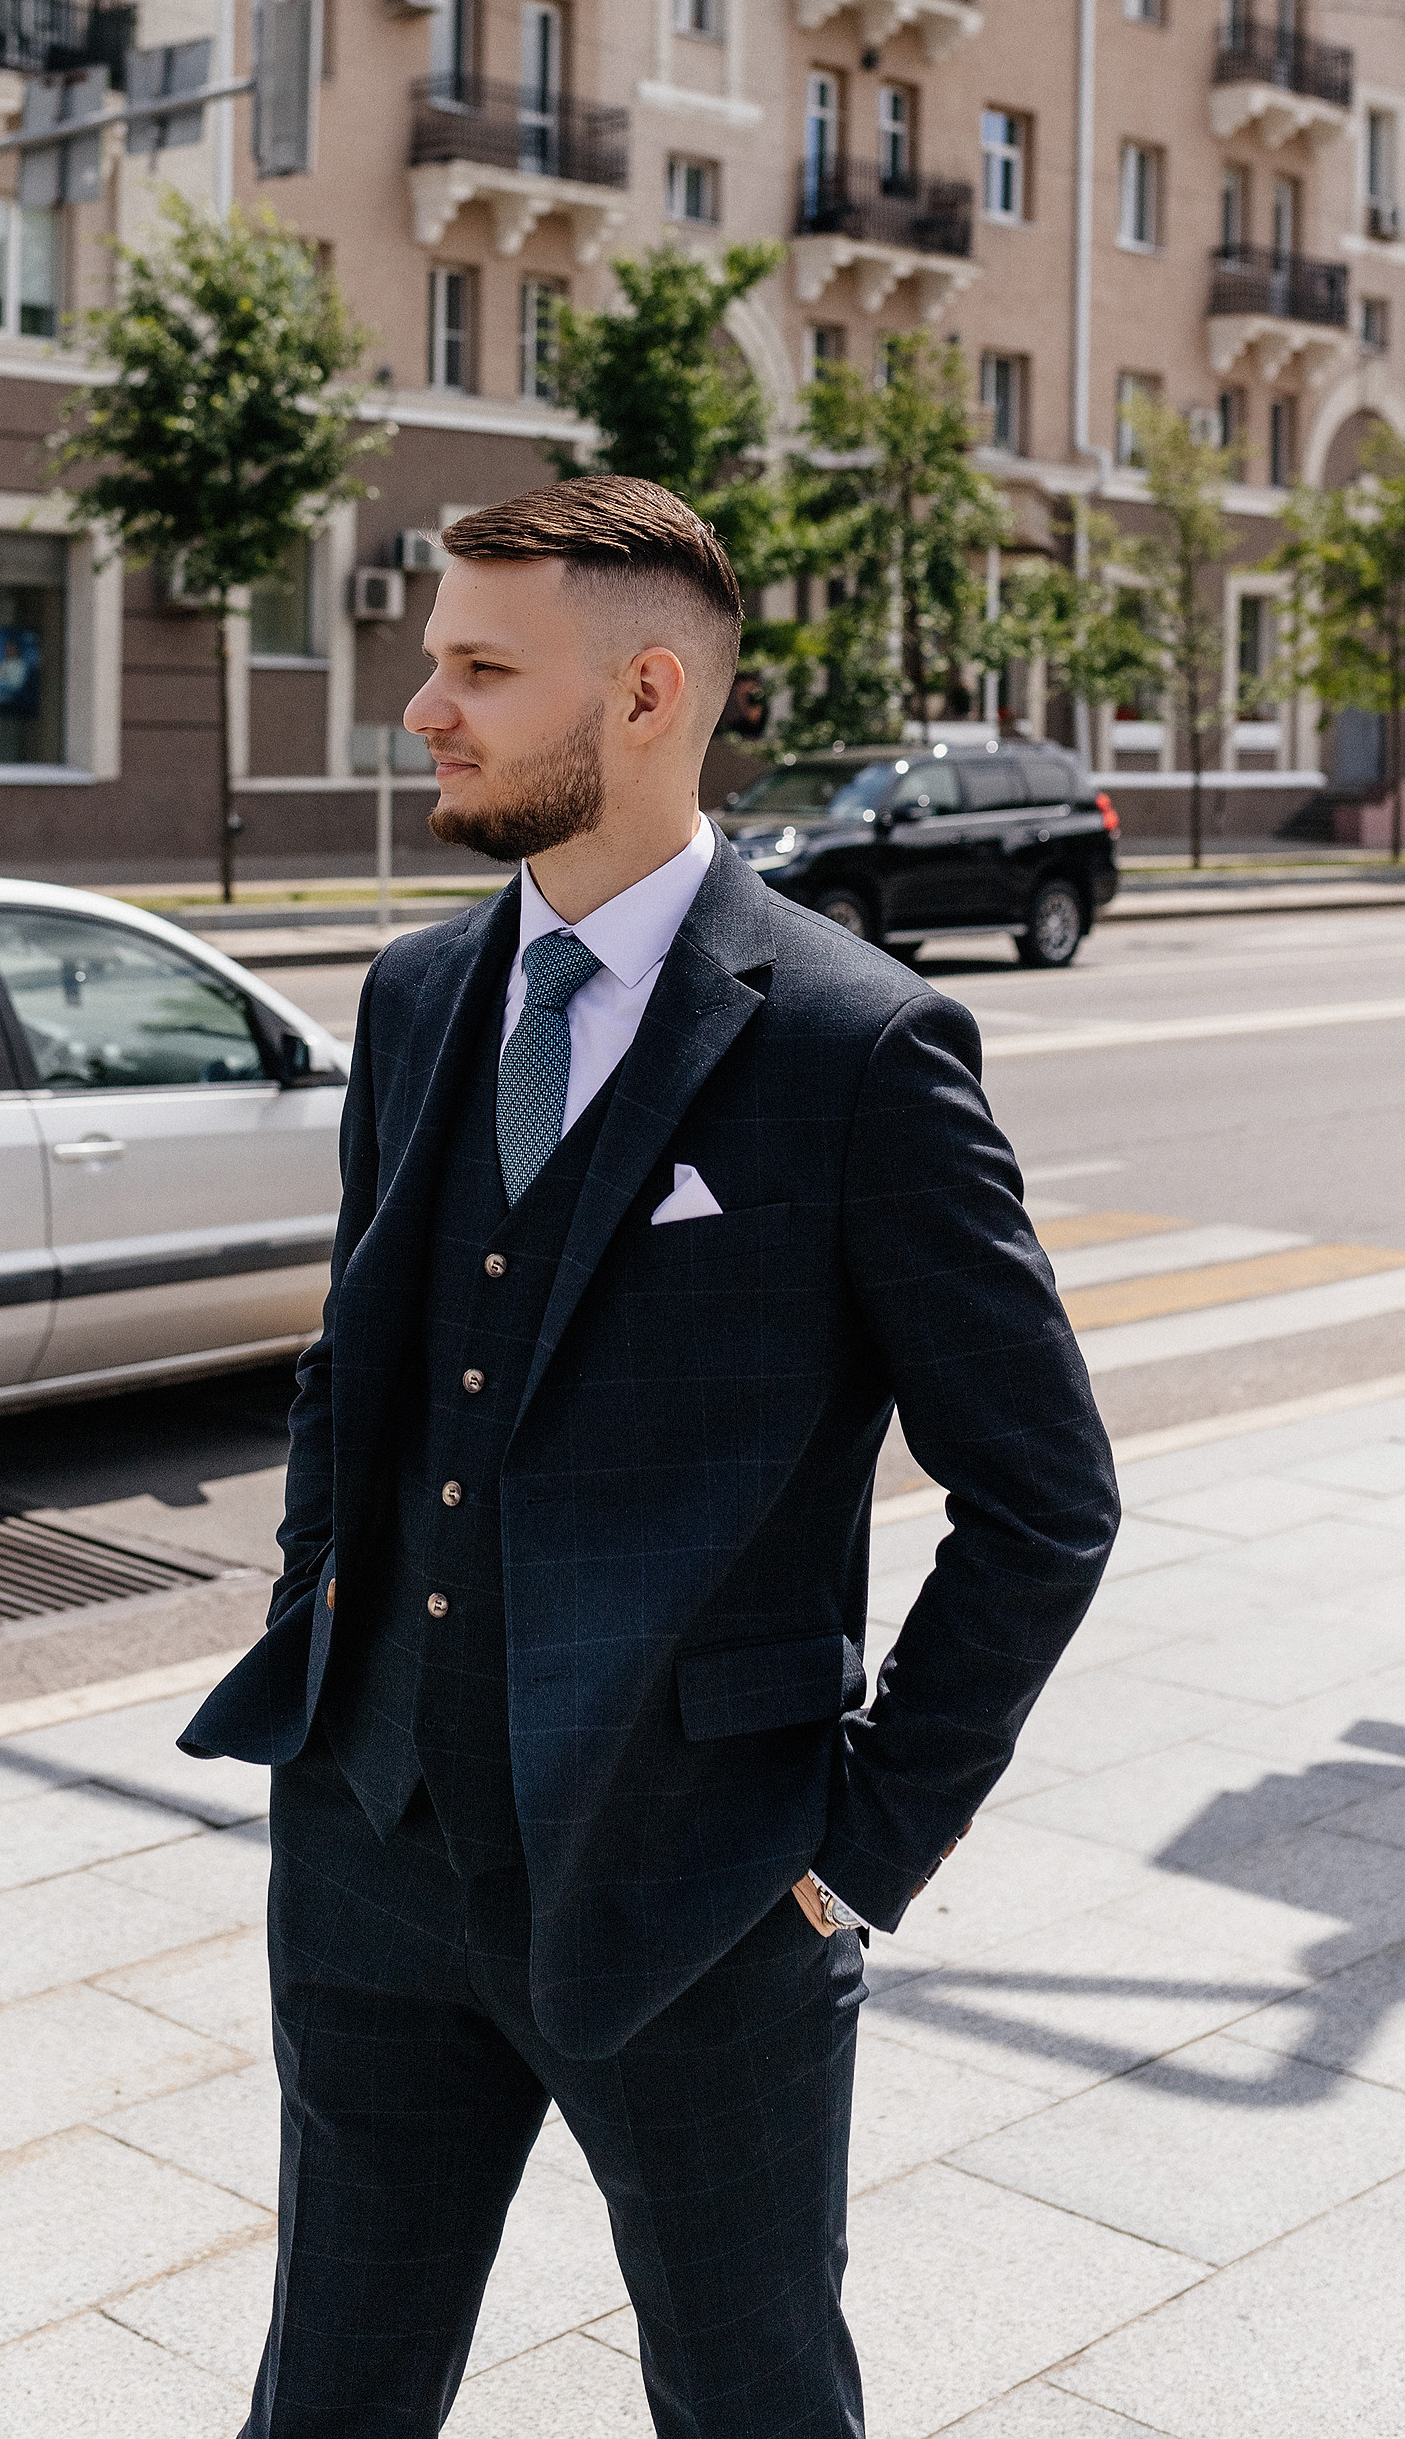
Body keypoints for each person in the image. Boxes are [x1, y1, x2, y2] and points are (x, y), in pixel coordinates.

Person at [182, 473, 1118, 2438]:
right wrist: (316, 1689)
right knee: (324, 2403)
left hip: (704, 1892)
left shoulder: (856, 1047)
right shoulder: (422, 991)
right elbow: (358, 1378)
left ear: (645, 695)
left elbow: (1042, 1494)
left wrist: (853, 1857)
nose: (420, 708)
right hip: (371, 1862)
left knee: (752, 2399)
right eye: (430, 661)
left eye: (477, 668)